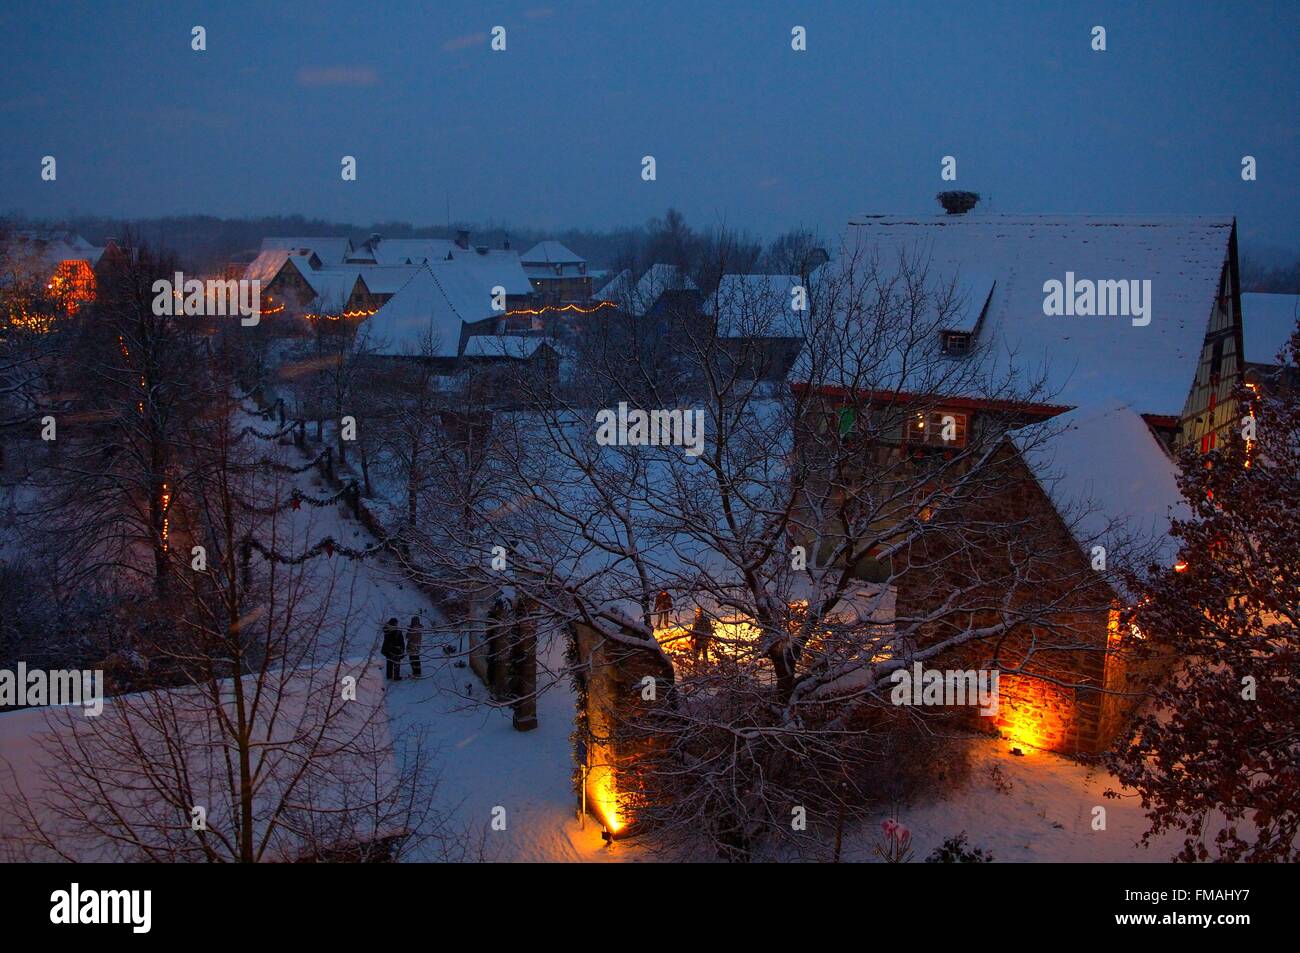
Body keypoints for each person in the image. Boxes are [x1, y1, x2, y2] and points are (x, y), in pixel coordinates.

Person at [406, 613, 423, 678]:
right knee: (416, 659)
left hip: (412, 645)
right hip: (417, 645)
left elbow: (408, 636)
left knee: (413, 659)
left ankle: (416, 673)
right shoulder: (419, 627)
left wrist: (409, 630)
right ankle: (417, 672)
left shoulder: (414, 628)